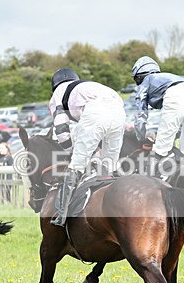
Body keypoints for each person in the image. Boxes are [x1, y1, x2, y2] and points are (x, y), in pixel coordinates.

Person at [49, 67, 126, 227]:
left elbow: (61, 130)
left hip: (96, 111)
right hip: (119, 109)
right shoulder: (87, 86)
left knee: (76, 165)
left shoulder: (58, 94)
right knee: (109, 165)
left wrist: (71, 152)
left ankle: (62, 216)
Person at [132, 56, 184, 171]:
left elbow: (140, 113)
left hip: (176, 96)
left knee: (160, 148)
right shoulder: (170, 76)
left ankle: (148, 181)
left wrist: (141, 138)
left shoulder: (147, 80)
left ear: (139, 76)